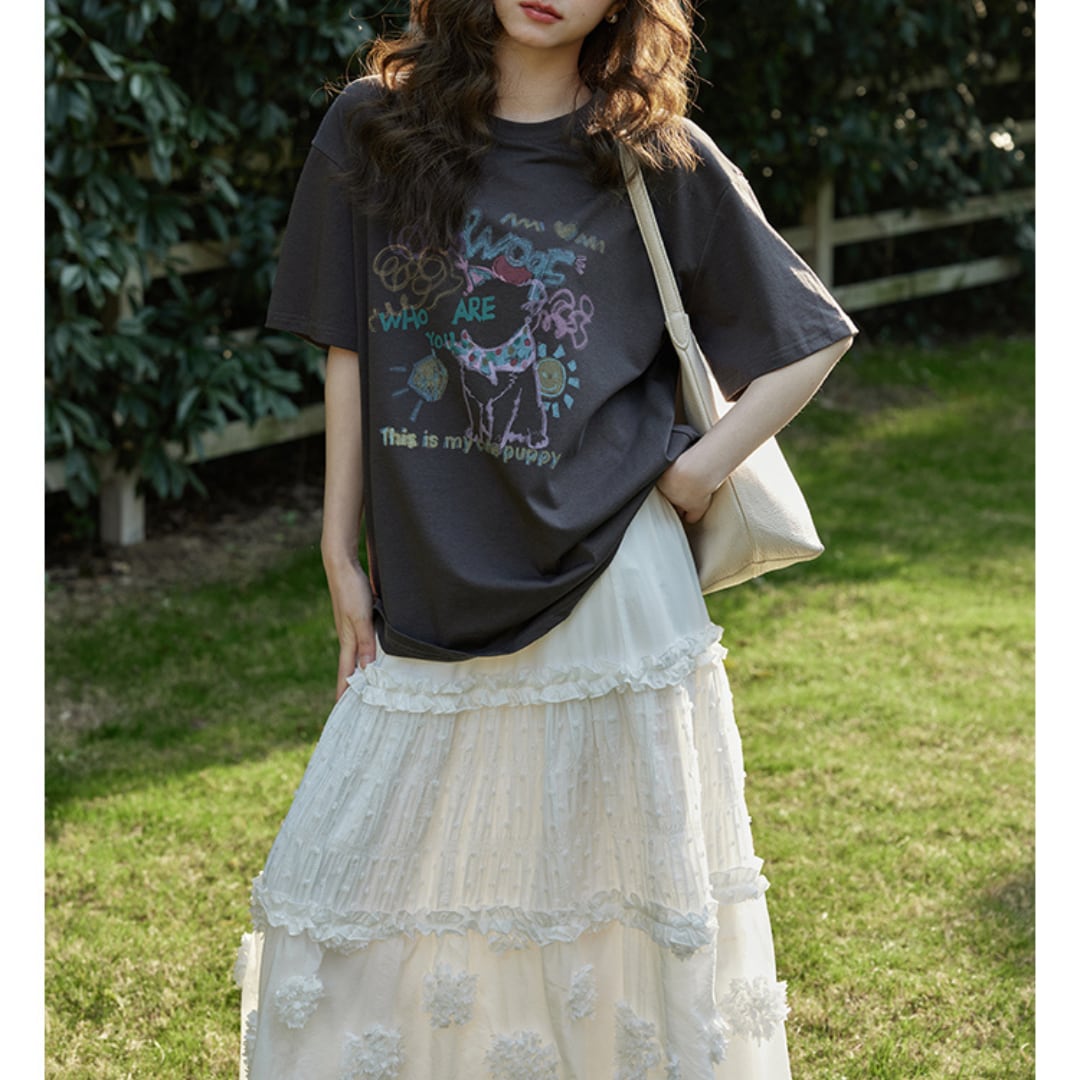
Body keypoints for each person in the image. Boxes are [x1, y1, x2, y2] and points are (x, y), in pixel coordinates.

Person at [235, 1, 855, 1077]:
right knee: (352, 916)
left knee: (606, 921)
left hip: (614, 589)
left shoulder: (648, 151)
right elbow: (349, 347)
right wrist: (338, 554)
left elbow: (811, 335)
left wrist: (699, 468)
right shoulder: (372, 127)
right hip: (431, 580)